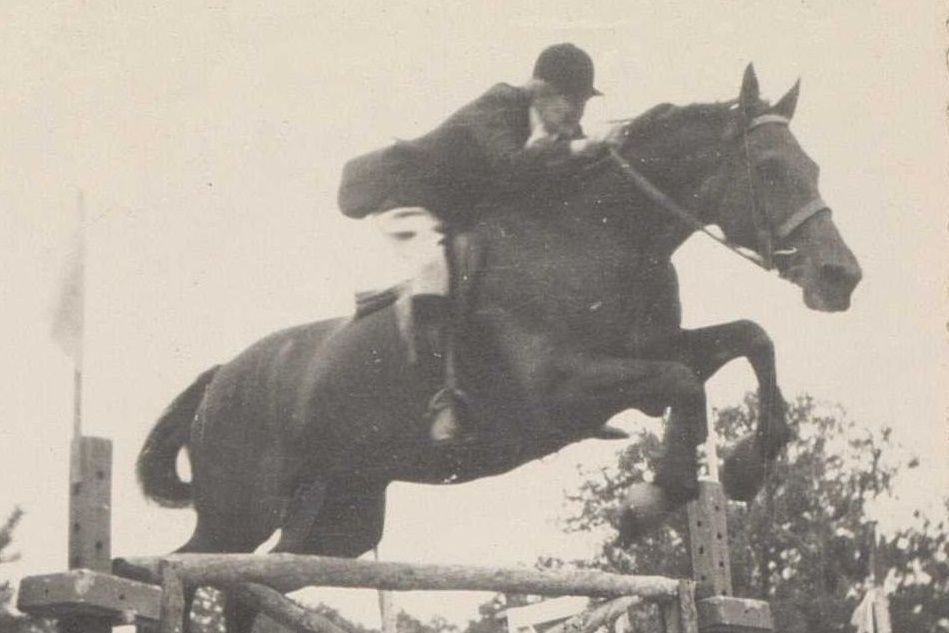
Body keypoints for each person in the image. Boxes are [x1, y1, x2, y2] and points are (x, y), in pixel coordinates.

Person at [338, 43, 621, 444]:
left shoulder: (560, 129)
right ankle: (441, 396)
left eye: (583, 102)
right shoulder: (498, 105)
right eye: (570, 99)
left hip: (462, 217)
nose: (577, 112)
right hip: (409, 200)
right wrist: (577, 149)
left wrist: (611, 148)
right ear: (540, 90)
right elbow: (510, 167)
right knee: (432, 266)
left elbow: (572, 179)